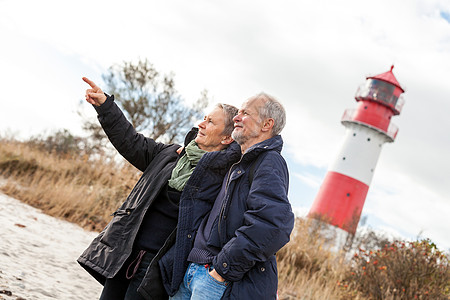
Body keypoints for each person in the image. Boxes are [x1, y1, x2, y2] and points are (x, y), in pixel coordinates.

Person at [77, 77, 241, 300]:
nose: (201, 124)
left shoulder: (224, 179)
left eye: (211, 122)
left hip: (158, 268)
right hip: (125, 252)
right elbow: (131, 141)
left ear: (227, 137)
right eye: (204, 118)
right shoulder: (170, 155)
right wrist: (106, 107)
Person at [159, 92, 295, 300]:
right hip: (193, 271)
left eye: (245, 113)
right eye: (237, 112)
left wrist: (222, 270)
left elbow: (273, 225)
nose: (236, 118)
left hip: (216, 278)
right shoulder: (239, 160)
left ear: (267, 124)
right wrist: (189, 151)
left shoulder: (269, 161)